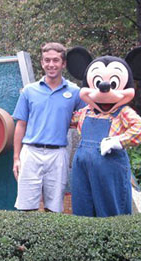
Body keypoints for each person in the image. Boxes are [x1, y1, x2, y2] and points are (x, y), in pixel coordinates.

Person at [12, 42, 85, 212]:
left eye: (55, 60)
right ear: (42, 63)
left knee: (54, 208)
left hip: (58, 154)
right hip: (30, 152)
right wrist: (16, 157)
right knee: (26, 207)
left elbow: (86, 119)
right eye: (47, 60)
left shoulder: (75, 92)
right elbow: (20, 125)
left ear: (63, 63)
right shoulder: (29, 91)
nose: (51, 65)